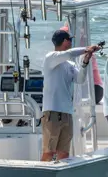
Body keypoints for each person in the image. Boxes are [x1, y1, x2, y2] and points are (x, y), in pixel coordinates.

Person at [40, 28, 99, 162]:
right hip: (52, 113)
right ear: (65, 41)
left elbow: (80, 79)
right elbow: (68, 54)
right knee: (49, 152)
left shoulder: (71, 63)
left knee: (64, 154)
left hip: (66, 114)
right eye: (70, 40)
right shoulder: (51, 57)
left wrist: (85, 62)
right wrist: (87, 48)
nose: (71, 42)